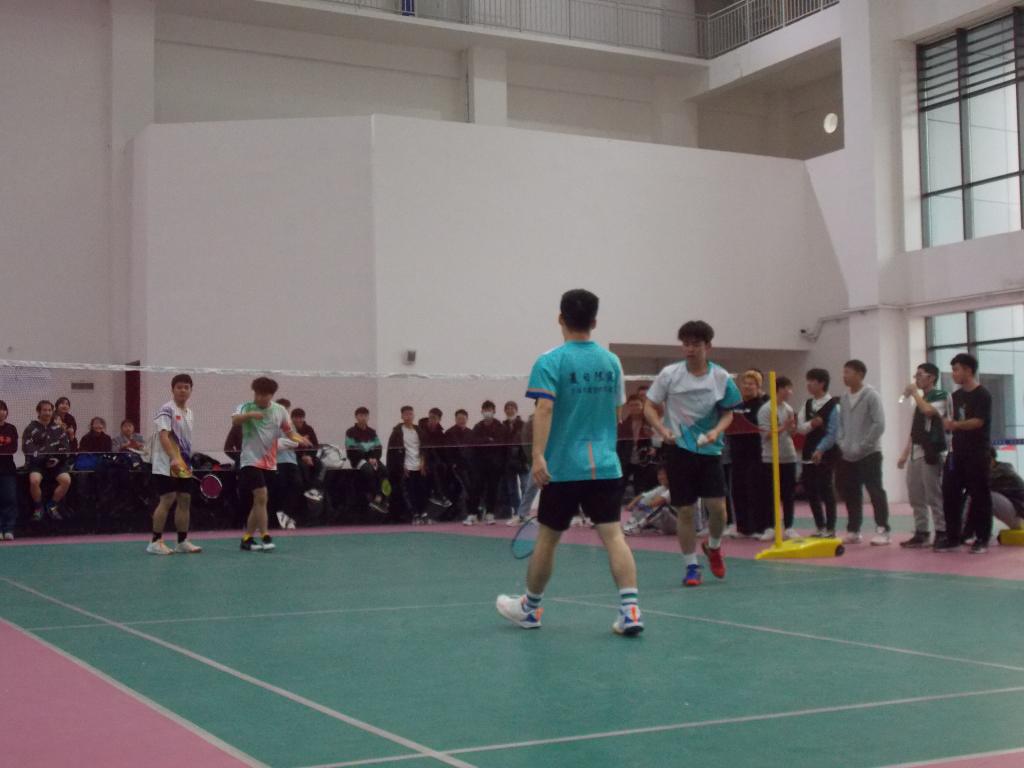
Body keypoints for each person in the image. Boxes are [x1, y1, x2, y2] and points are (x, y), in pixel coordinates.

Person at [497, 289, 642, 635]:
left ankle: (530, 609)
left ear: (560, 318)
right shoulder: (612, 362)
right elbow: (617, 411)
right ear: (594, 321)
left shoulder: (550, 361)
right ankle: (631, 611)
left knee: (548, 539)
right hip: (605, 465)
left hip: (563, 468)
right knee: (614, 536)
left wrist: (537, 456)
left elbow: (544, 408)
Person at [643, 320, 741, 587]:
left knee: (717, 510)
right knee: (685, 511)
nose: (689, 349)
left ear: (708, 346)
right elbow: (649, 406)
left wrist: (716, 431)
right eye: (685, 344)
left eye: (695, 344)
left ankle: (714, 547)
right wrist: (661, 429)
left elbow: (728, 413)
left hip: (709, 450)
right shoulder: (669, 374)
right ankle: (691, 566)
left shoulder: (721, 377)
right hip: (678, 450)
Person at [233, 377, 311, 552]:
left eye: (264, 395)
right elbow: (235, 420)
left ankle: (247, 539)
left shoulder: (280, 410)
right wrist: (250, 415)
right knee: (261, 495)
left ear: (271, 395)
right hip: (250, 460)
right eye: (257, 394)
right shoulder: (246, 407)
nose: (260, 398)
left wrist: (300, 439)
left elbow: (289, 433)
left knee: (259, 502)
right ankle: (265, 536)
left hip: (269, 462)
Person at [936, 353, 993, 554]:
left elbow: (978, 422)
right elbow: (948, 420)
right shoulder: (955, 397)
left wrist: (956, 425)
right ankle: (953, 537)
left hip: (977, 453)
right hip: (955, 453)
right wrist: (946, 423)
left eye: (956, 369)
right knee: (949, 492)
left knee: (979, 495)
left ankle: (982, 538)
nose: (953, 374)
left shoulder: (982, 394)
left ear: (968, 370)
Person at [836, 359, 891, 545]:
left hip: (869, 453)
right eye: (844, 372)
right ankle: (853, 530)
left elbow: (879, 424)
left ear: (859, 374)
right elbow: (841, 424)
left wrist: (864, 445)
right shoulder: (844, 398)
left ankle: (883, 530)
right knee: (851, 492)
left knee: (875, 491)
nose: (844, 376)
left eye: (848, 372)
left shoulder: (871, 396)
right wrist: (842, 443)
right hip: (847, 455)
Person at [147, 374, 203, 555]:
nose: (183, 390)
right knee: (168, 498)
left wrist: (183, 461)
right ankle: (155, 542)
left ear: (191, 390)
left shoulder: (190, 412)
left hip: (183, 464)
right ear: (172, 389)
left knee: (185, 499)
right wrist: (173, 457)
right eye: (179, 387)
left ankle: (182, 541)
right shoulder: (166, 409)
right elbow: (164, 436)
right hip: (165, 463)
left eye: (186, 387)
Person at [896, 363, 951, 548]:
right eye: (916, 375)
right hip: (916, 452)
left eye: (920, 375)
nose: (916, 379)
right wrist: (905, 454)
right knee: (915, 495)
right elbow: (915, 431)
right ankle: (921, 531)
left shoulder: (941, 395)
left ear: (931, 377)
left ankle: (942, 531)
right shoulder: (919, 400)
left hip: (931, 451)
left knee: (933, 494)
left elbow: (928, 411)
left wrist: (914, 394)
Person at [724, 371, 767, 538]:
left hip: (756, 454)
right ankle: (743, 528)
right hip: (737, 454)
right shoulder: (737, 406)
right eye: (745, 383)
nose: (747, 386)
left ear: (758, 386)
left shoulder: (762, 405)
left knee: (755, 489)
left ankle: (759, 527)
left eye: (751, 384)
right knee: (738, 489)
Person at [797, 368, 840, 537]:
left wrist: (820, 449)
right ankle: (819, 525)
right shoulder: (807, 404)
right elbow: (800, 428)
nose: (808, 384)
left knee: (826, 488)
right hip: (808, 450)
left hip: (827, 453)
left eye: (812, 381)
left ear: (822, 383)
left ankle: (830, 528)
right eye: (807, 381)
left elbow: (833, 433)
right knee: (810, 488)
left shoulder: (833, 405)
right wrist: (812, 424)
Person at [755, 377, 799, 540]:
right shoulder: (766, 409)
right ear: (778, 389)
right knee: (770, 494)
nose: (790, 392)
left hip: (789, 456)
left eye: (790, 389)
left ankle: (789, 527)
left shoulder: (788, 408)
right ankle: (770, 527)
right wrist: (783, 427)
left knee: (789, 494)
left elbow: (791, 434)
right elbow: (765, 435)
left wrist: (792, 428)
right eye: (787, 388)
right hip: (770, 457)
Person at [22, 400, 72, 522]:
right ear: (38, 411)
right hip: (38, 464)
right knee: (34, 480)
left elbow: (65, 448)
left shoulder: (58, 428)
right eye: (44, 410)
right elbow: (27, 448)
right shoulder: (31, 428)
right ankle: (38, 508)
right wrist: (43, 459)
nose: (47, 413)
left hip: (56, 464)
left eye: (50, 410)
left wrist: (57, 459)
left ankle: (52, 505)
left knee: (66, 480)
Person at [387, 406, 428, 524]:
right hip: (406, 466)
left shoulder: (419, 431)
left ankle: (423, 513)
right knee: (409, 492)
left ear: (413, 415)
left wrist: (423, 463)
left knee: (421, 490)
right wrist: (401, 466)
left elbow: (424, 448)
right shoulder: (397, 432)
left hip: (419, 465)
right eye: (406, 414)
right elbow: (393, 452)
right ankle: (414, 514)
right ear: (402, 416)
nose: (408, 416)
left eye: (410, 414)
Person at [345, 407, 388, 514]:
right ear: (356, 417)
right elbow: (352, 450)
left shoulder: (372, 432)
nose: (363, 418)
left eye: (365, 415)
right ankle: (374, 497)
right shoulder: (350, 432)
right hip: (358, 460)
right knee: (369, 471)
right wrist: (368, 458)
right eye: (361, 415)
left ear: (368, 417)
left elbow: (378, 447)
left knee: (384, 470)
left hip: (373, 459)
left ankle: (382, 497)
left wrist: (374, 458)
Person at [471, 400, 506, 524]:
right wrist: (488, 439)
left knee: (493, 489)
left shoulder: (500, 426)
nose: (487, 412)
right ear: (482, 411)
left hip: (495, 465)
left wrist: (501, 463)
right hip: (480, 464)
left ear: (494, 411)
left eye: (489, 410)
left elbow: (501, 443)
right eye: (485, 410)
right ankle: (473, 514)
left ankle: (490, 514)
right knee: (477, 489)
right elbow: (474, 442)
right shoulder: (477, 426)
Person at [272, 398, 303, 530]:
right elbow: (271, 444)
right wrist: (287, 442)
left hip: (292, 461)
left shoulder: (290, 425)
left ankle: (287, 514)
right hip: (278, 461)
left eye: (287, 409)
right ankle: (281, 515)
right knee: (282, 488)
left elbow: (296, 442)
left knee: (297, 485)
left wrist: (284, 442)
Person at [617, 394, 656, 498]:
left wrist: (652, 446)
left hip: (643, 460)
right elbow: (619, 444)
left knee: (641, 487)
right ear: (628, 407)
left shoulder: (649, 422)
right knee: (620, 486)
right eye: (631, 405)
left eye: (637, 405)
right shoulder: (623, 424)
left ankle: (640, 506)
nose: (634, 408)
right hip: (625, 459)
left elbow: (656, 440)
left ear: (642, 405)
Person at [623, 465, 674, 536]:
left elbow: (659, 501)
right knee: (644, 501)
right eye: (659, 474)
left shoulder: (674, 488)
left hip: (678, 524)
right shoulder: (662, 488)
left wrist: (642, 507)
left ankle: (638, 527)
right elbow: (643, 496)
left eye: (664, 474)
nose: (660, 477)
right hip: (666, 524)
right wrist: (631, 504)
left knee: (663, 508)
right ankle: (631, 523)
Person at [446, 410, 478, 523]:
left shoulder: (471, 432)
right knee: (464, 489)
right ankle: (465, 513)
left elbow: (475, 450)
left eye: (463, 418)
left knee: (472, 489)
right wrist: (453, 464)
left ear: (467, 419)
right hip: (457, 467)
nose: (461, 420)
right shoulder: (449, 433)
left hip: (471, 466)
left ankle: (473, 513)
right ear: (455, 419)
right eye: (459, 418)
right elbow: (447, 452)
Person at [501, 401, 530, 519]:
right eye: (507, 408)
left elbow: (528, 442)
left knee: (525, 487)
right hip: (509, 462)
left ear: (516, 410)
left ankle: (525, 512)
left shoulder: (524, 424)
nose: (510, 410)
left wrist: (527, 460)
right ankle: (517, 512)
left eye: (512, 408)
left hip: (523, 461)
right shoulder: (502, 426)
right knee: (512, 489)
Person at [420, 408, 452, 510]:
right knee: (433, 467)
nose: (431, 420)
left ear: (439, 420)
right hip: (420, 457)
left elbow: (443, 451)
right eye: (430, 417)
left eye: (434, 418)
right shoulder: (420, 429)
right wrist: (422, 461)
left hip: (434, 459)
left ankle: (441, 494)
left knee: (443, 467)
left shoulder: (440, 434)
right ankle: (438, 494)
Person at [986, 448, 1024, 531]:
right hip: (1018, 514)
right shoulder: (1003, 468)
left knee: (982, 495)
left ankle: (967, 530)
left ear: (991, 459)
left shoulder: (1001, 471)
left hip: (1019, 515)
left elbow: (978, 484)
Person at [0, 401, 18, 540]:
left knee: (9, 498)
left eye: (3, 409)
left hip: (7, 469)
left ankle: (9, 529)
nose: (1, 412)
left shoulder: (11, 428)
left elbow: (13, 448)